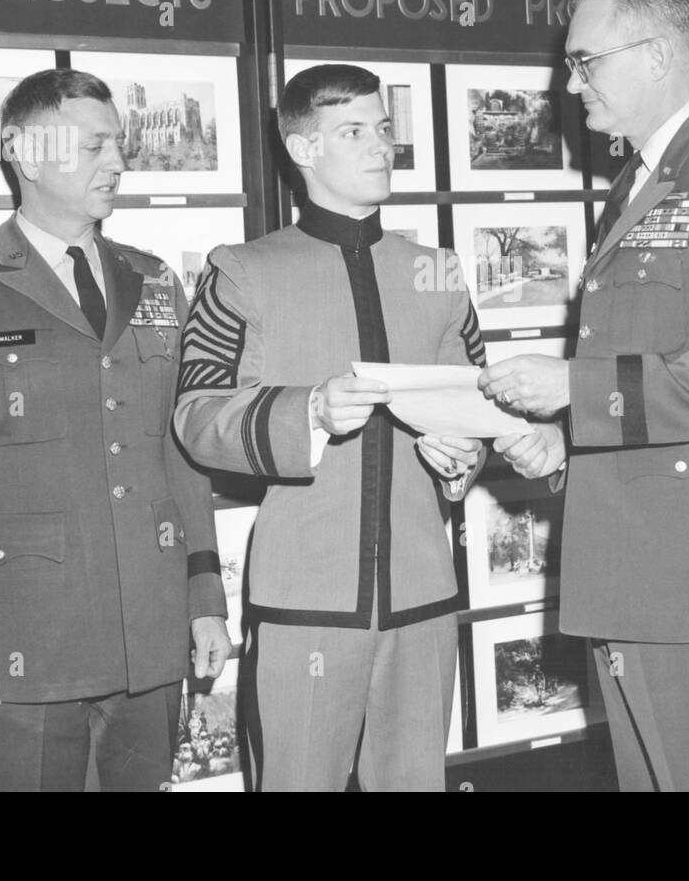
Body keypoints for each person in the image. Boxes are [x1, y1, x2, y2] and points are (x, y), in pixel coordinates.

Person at [481, 0, 689, 791]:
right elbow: (652, 365)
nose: (570, 80)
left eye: (585, 59)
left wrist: (574, 391)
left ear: (658, 54)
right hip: (632, 568)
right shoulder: (642, 181)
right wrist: (561, 436)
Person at [0, 69, 231, 792]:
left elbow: (181, 453)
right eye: (93, 145)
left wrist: (204, 597)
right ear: (24, 151)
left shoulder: (157, 283)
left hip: (150, 634)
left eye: (119, 144)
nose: (116, 162)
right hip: (23, 647)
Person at [173, 63, 485, 791]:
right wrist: (306, 410)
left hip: (423, 599)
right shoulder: (243, 270)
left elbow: (476, 403)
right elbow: (194, 414)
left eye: (384, 129)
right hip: (303, 603)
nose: (381, 146)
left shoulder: (436, 270)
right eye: (354, 131)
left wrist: (459, 457)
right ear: (303, 148)